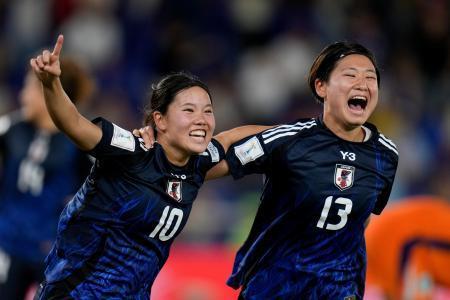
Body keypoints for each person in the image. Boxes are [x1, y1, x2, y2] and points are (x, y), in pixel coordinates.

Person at [139, 41, 398, 299]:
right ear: (321, 86)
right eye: (350, 75)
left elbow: (361, 219)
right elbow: (208, 167)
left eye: (371, 77)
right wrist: (162, 151)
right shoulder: (289, 141)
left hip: (338, 289)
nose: (362, 83)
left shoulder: (385, 156)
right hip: (276, 286)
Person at [30, 35, 270, 299]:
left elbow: (233, 137)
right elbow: (74, 123)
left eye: (208, 111)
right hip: (76, 292)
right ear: (160, 119)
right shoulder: (130, 151)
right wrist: (51, 83)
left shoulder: (197, 165)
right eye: (189, 111)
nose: (201, 120)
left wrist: (298, 133)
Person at [0, 57, 94, 299]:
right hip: (7, 245)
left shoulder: (80, 144)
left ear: (47, 92)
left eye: (28, 88)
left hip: (51, 253)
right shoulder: (11, 128)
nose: (22, 96)